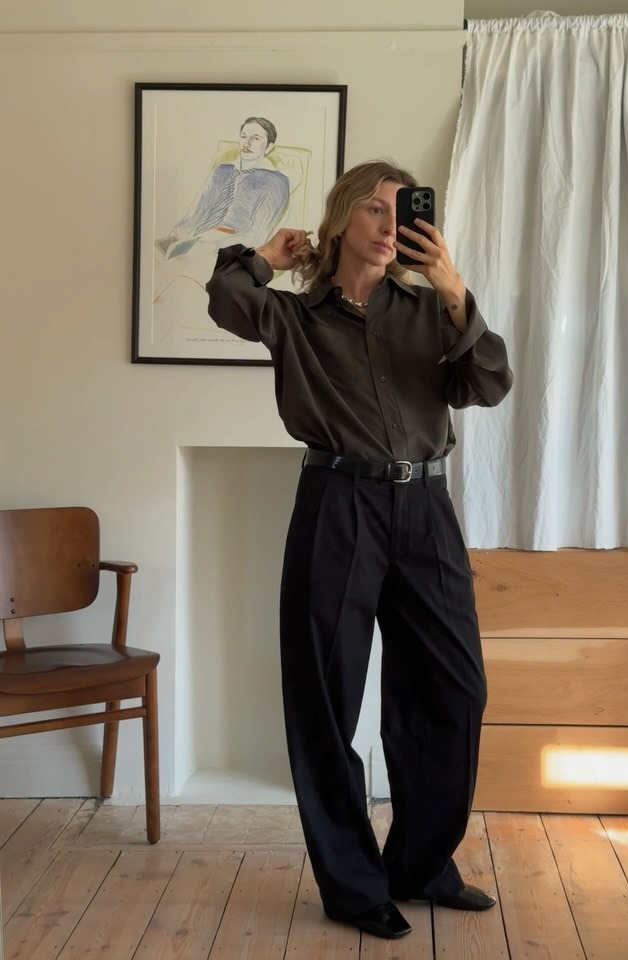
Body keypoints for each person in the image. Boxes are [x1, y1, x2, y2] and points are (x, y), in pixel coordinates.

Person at [205, 160, 513, 941]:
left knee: (454, 692)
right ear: (343, 220)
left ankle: (418, 865)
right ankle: (351, 883)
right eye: (372, 209)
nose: (388, 223)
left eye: (397, 210)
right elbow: (227, 300)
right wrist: (267, 258)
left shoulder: (428, 309)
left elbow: (488, 384)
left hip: (425, 509)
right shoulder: (295, 319)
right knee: (324, 700)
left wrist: (452, 290)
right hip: (335, 505)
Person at [156, 116, 290, 261]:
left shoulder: (276, 181)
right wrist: (177, 235)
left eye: (255, 138)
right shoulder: (221, 170)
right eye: (244, 136)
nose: (247, 143)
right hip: (194, 239)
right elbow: (195, 211)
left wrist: (214, 246)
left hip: (228, 248)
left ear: (269, 147)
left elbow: (257, 236)